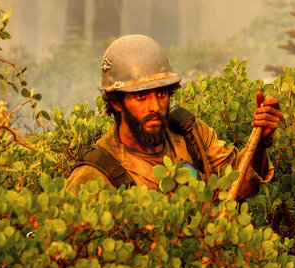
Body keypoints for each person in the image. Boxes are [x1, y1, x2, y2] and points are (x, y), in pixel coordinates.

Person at [66, 34, 282, 198]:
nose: (155, 107)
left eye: (161, 94)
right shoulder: (93, 175)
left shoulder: (190, 134)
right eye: (140, 97)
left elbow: (242, 186)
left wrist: (260, 142)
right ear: (116, 102)